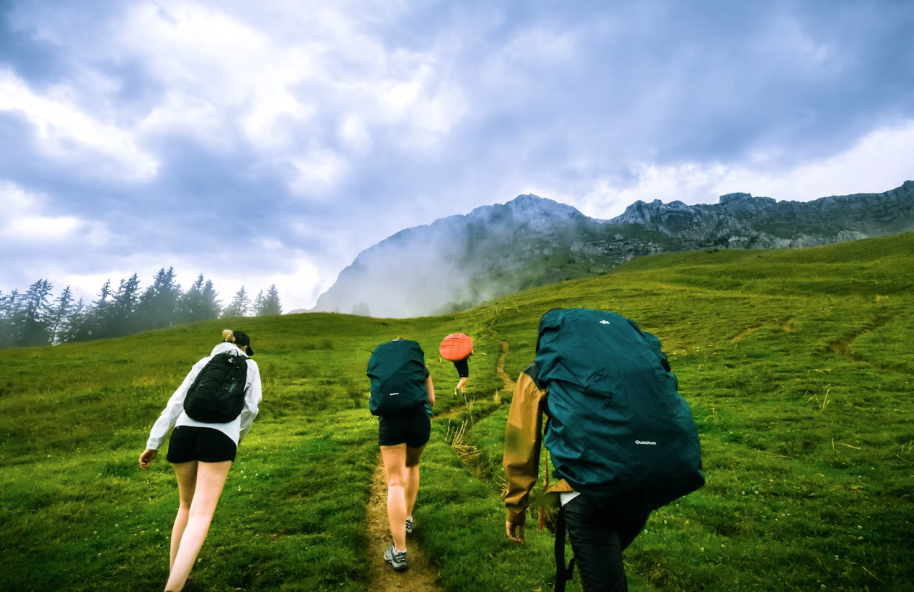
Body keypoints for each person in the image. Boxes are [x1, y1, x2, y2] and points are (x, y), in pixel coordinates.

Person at [139, 330, 262, 592]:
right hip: (220, 436)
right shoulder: (249, 366)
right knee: (201, 513)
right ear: (245, 347)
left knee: (185, 507)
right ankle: (173, 588)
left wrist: (153, 443)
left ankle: (179, 578)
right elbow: (251, 408)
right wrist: (235, 437)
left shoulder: (204, 362)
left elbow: (176, 401)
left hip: (183, 433)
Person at [368, 338, 435, 571]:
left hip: (391, 425)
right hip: (418, 421)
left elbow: (374, 399)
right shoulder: (419, 367)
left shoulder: (381, 367)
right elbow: (432, 399)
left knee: (394, 482)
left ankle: (399, 551)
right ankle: (407, 518)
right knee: (412, 465)